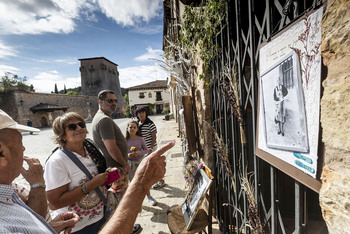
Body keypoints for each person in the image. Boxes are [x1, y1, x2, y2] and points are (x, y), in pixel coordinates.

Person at [0, 109, 79, 233]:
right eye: (20, 141)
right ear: (2, 153)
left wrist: (48, 228)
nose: (23, 148)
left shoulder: (6, 189)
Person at [44, 112, 110, 233]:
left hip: (102, 216)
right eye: (72, 127)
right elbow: (54, 203)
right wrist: (92, 184)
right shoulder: (57, 162)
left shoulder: (90, 149)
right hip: (77, 227)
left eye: (81, 124)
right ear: (62, 135)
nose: (79, 128)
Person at [92, 90, 141, 233]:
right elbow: (111, 147)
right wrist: (124, 164)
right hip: (116, 169)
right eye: (110, 101)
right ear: (100, 102)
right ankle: (125, 229)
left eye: (115, 100)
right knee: (122, 204)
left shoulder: (101, 117)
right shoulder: (104, 120)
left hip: (113, 168)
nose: (113, 103)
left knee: (116, 203)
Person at [99, 141, 174, 233]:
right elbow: (114, 212)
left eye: (123, 180)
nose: (121, 183)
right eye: (117, 181)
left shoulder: (125, 189)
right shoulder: (111, 194)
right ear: (110, 183)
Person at [126, 120, 157, 206]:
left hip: (140, 162)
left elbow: (146, 150)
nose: (132, 129)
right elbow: (122, 152)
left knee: (144, 180)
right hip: (130, 164)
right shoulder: (125, 140)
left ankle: (149, 196)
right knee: (133, 182)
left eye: (134, 127)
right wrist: (128, 155)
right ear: (127, 128)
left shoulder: (140, 139)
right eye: (130, 127)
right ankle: (136, 200)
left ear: (137, 129)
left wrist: (138, 153)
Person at [135, 106, 165, 189]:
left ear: (146, 113)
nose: (141, 114)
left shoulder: (150, 124)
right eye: (139, 113)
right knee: (147, 166)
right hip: (143, 150)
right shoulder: (137, 124)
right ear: (137, 115)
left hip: (151, 149)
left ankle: (161, 181)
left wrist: (150, 149)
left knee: (154, 165)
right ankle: (153, 180)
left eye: (143, 112)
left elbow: (154, 137)